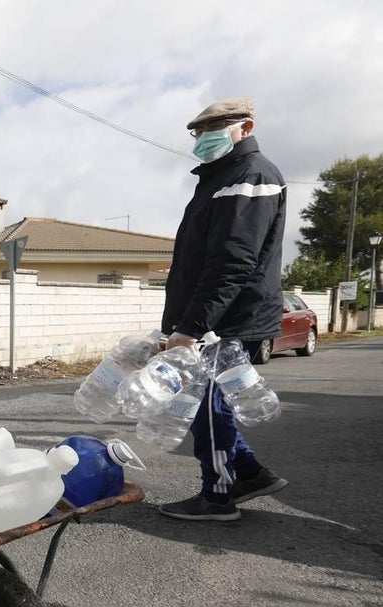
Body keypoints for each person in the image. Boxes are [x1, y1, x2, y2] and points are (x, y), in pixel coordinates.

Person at [159, 97, 289, 522]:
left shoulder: (251, 175)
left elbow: (233, 262)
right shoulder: (222, 176)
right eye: (197, 131)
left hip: (230, 320)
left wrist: (192, 326)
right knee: (215, 404)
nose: (201, 138)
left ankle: (217, 497)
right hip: (218, 319)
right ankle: (251, 474)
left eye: (213, 129)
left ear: (245, 127)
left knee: (207, 407)